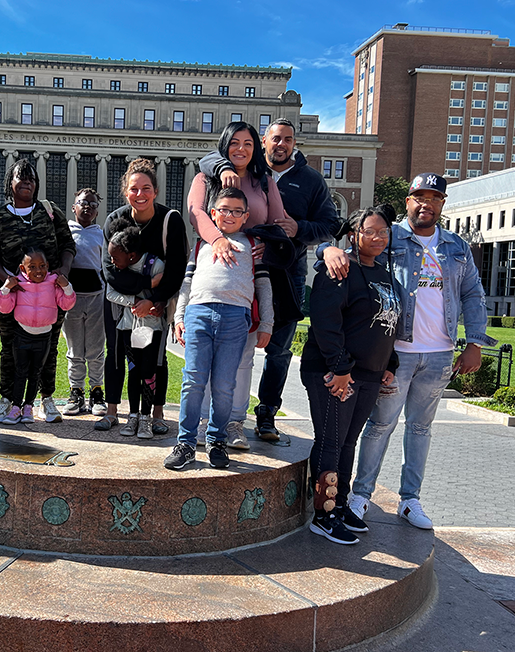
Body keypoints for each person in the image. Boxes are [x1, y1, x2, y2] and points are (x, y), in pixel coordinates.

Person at [320, 173, 497, 530]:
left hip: (439, 354)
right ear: (408, 201)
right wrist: (329, 248)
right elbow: (356, 246)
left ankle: (410, 500)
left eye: (433, 198)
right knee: (379, 424)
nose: (425, 204)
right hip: (396, 352)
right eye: (419, 196)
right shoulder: (390, 236)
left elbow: (473, 294)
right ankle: (361, 495)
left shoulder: (457, 247)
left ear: (442, 204)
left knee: (420, 428)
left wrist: (475, 342)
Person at [200, 118, 341, 441]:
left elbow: (330, 224)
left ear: (294, 143)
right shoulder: (248, 170)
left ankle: (266, 414)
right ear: (264, 141)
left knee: (277, 349)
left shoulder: (311, 181)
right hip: (240, 269)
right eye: (276, 138)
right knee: (237, 346)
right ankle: (223, 417)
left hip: (287, 273)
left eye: (288, 139)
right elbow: (206, 159)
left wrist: (298, 229)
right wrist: (222, 166)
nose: (281, 144)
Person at [302, 205, 400, 545]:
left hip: (369, 375)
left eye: (384, 232)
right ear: (353, 235)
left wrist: (391, 363)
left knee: (347, 442)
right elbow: (326, 323)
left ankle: (339, 504)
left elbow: (386, 321)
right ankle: (323, 514)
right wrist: (340, 369)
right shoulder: (339, 269)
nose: (378, 238)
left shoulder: (384, 272)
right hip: (335, 373)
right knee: (330, 441)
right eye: (370, 231)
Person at [187, 121, 285, 448]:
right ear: (224, 144)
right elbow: (195, 214)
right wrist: (216, 240)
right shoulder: (207, 176)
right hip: (211, 266)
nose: (241, 149)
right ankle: (201, 424)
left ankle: (234, 424)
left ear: (257, 148)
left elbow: (278, 224)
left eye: (248, 143)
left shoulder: (264, 181)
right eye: (234, 142)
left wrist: (268, 245)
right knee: (202, 369)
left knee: (242, 363)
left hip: (252, 272)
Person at [165, 188, 273, 471]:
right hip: (198, 314)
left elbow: (263, 285)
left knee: (225, 386)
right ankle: (186, 443)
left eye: (237, 211)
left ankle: (216, 440)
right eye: (223, 209)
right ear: (213, 213)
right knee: (193, 382)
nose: (229, 215)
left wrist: (268, 322)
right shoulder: (201, 244)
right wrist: (179, 317)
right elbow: (186, 285)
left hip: (235, 318)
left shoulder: (253, 244)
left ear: (246, 216)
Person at [96, 158, 188, 433]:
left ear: (155, 191)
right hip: (121, 303)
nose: (140, 194)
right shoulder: (115, 220)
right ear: (126, 191)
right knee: (115, 355)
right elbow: (109, 270)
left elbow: (176, 269)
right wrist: (144, 288)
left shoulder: (169, 220)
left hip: (157, 304)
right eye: (134, 189)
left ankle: (156, 412)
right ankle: (113, 410)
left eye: (146, 188)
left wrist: (156, 299)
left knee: (155, 357)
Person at [0, 158, 76, 424]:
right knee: (10, 349)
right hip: (13, 298)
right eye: (20, 178)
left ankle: (45, 399)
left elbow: (68, 245)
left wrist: (63, 272)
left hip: (49, 298)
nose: (27, 183)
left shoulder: (49, 211)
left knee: (48, 348)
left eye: (31, 179)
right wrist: (7, 278)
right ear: (9, 184)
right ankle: (8, 400)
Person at [0, 249, 77, 423]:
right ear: (23, 269)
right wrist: (5, 288)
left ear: (47, 266)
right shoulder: (19, 284)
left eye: (42, 266)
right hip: (22, 336)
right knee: (20, 372)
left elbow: (66, 304)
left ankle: (28, 408)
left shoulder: (53, 283)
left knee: (36, 373)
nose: (38, 271)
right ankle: (15, 407)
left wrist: (66, 286)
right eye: (32, 267)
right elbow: (4, 308)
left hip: (44, 338)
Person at [105, 218, 166, 439]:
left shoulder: (155, 265)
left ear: (131, 256)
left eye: (115, 257)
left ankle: (146, 418)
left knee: (148, 372)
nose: (112, 261)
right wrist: (133, 302)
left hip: (151, 328)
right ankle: (132, 416)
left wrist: (157, 304)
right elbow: (110, 294)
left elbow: (168, 291)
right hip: (127, 328)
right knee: (133, 372)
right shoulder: (116, 271)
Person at [63, 188, 107, 417]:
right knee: (74, 349)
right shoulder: (65, 232)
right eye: (82, 202)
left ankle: (97, 391)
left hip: (96, 298)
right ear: (74, 207)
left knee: (95, 349)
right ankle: (76, 391)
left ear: (97, 211)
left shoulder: (102, 234)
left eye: (92, 204)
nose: (87, 206)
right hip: (71, 298)